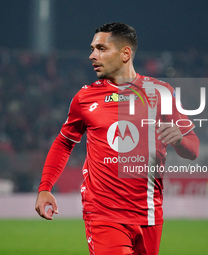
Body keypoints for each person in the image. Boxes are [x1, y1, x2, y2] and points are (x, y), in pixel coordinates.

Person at [35, 22, 199, 255]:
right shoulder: (85, 97)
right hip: (104, 213)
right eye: (92, 48)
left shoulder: (161, 93)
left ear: (125, 53)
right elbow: (65, 141)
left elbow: (192, 148)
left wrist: (180, 140)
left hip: (150, 213)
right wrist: (45, 187)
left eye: (101, 48)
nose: (92, 55)